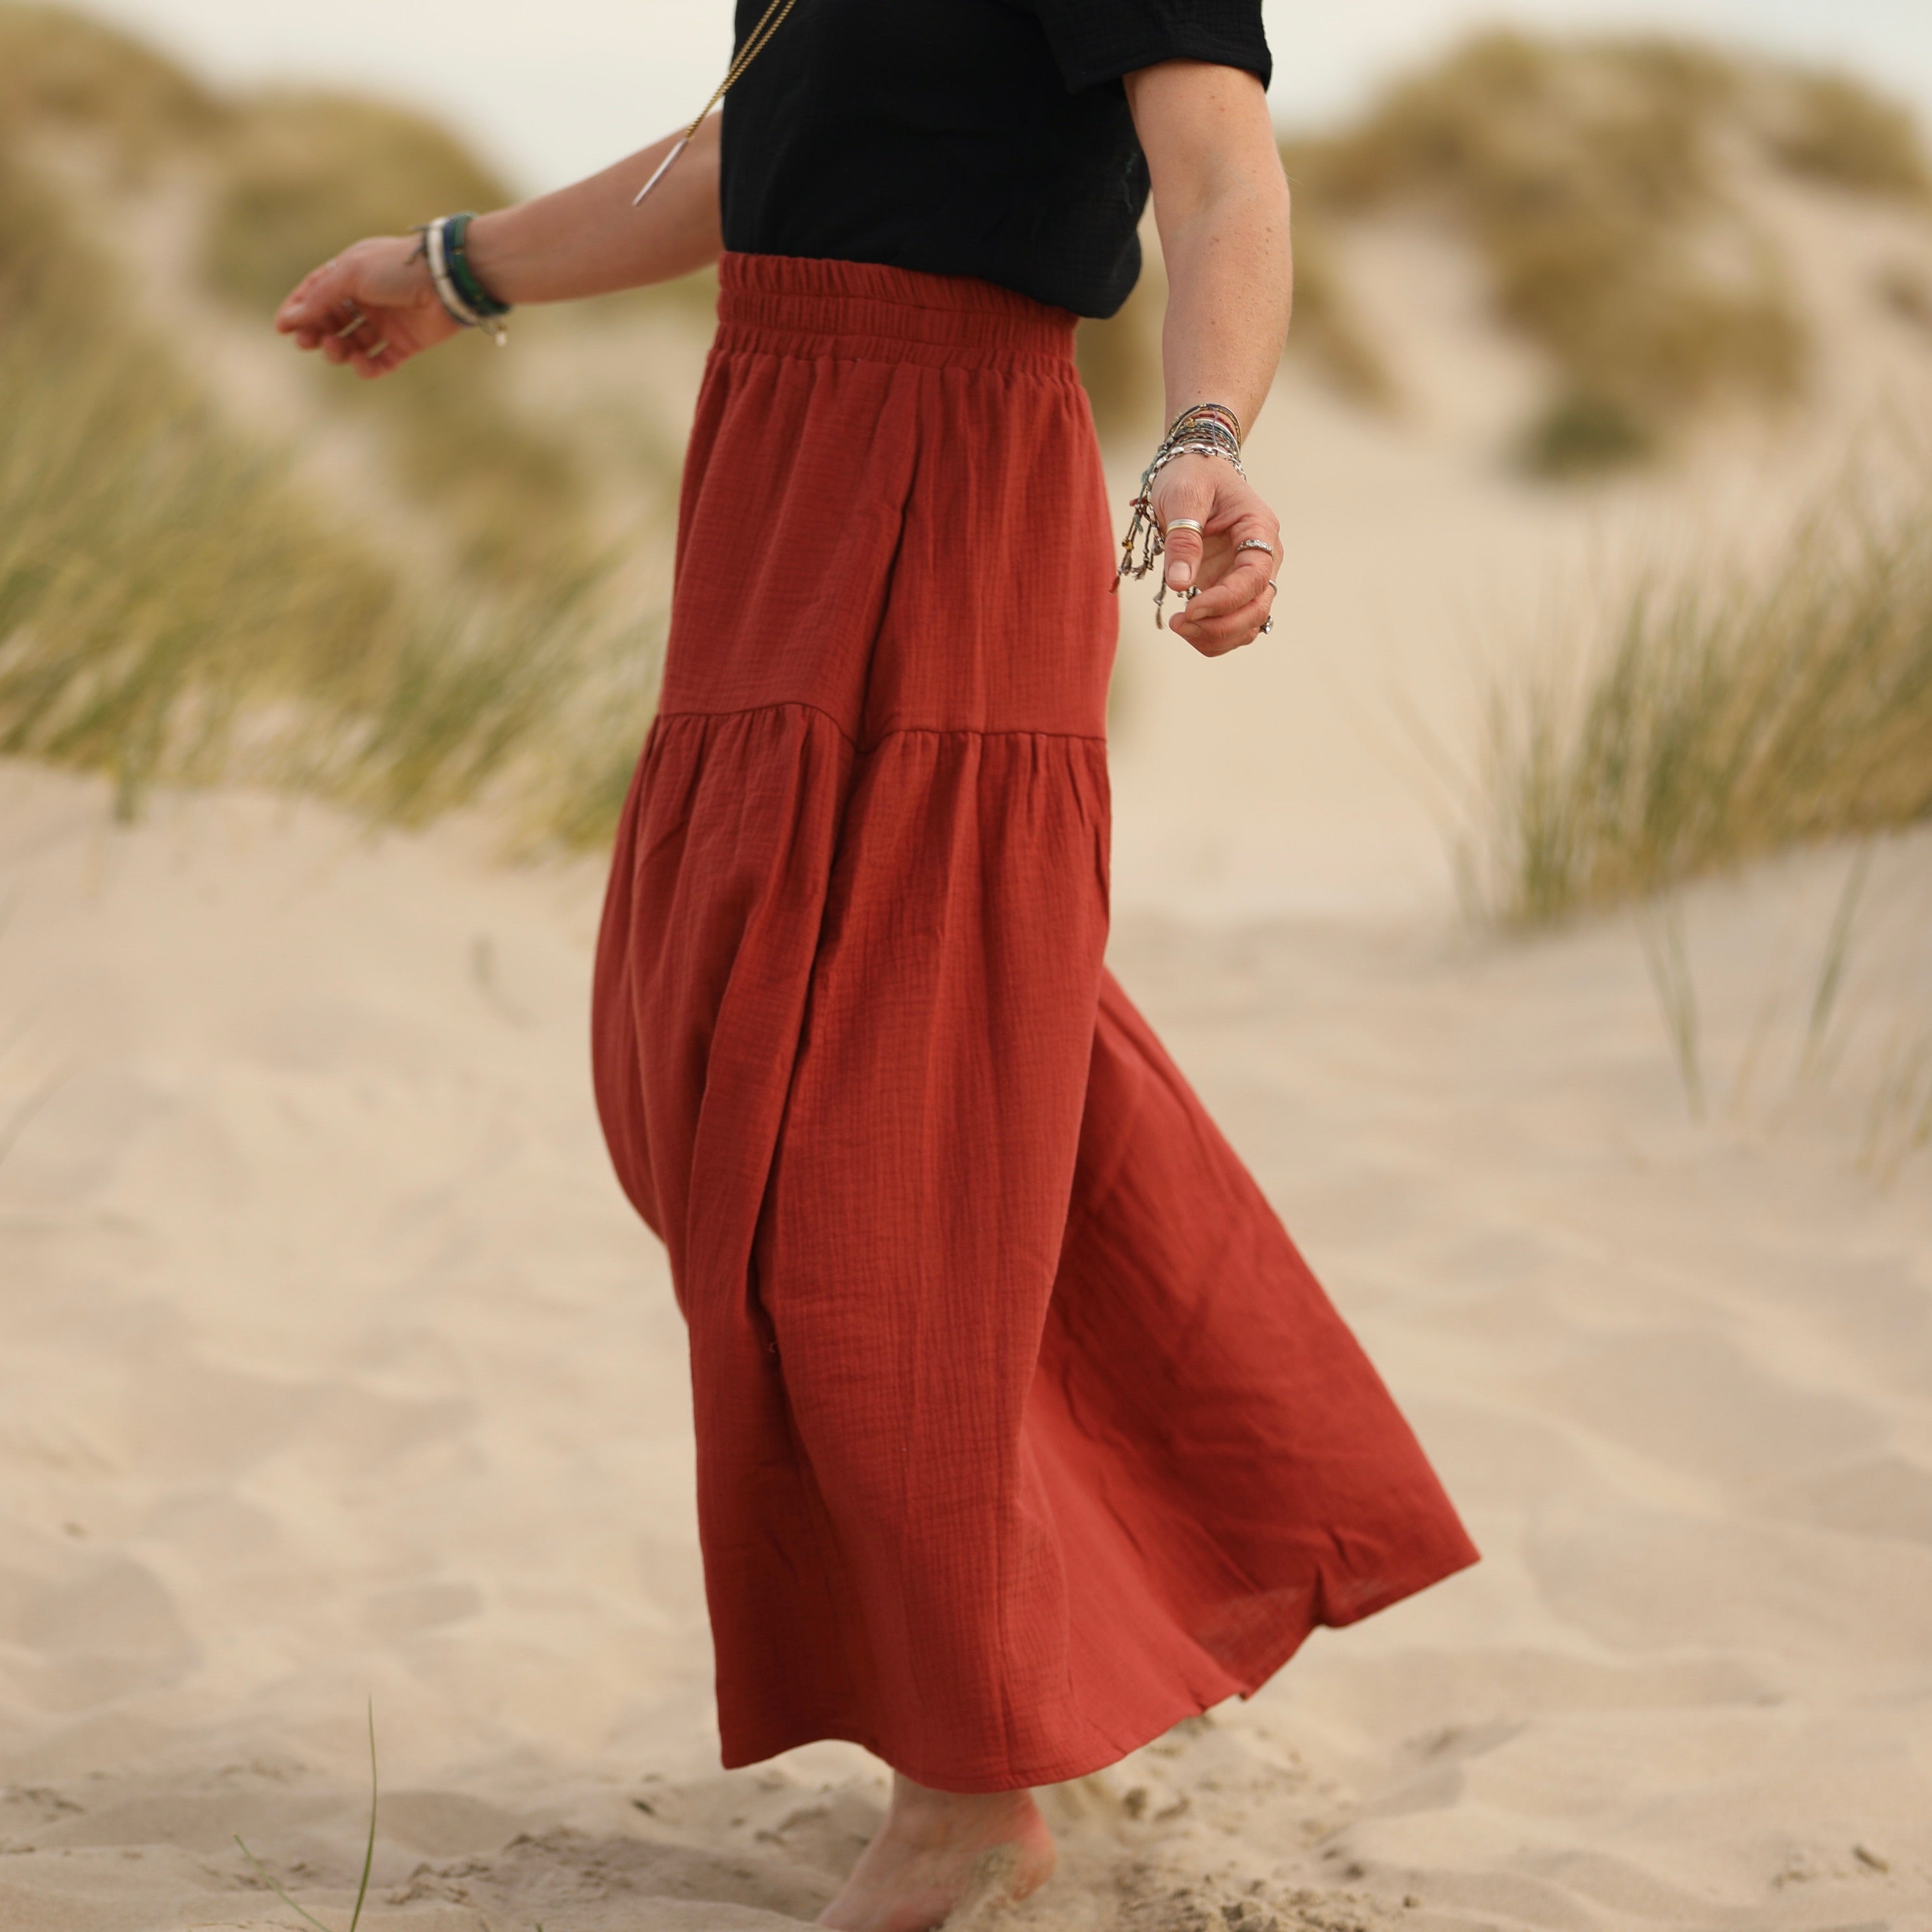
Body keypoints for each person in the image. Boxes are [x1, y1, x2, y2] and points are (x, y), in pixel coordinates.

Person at [275, 5, 1479, 1927]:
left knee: (875, 1149)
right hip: (772, 465)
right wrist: (456, 266)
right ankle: (1135, 1554)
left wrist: (1206, 439)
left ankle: (970, 1791)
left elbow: (1220, 176)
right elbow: (761, 158)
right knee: (716, 1083)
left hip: (949, 476)